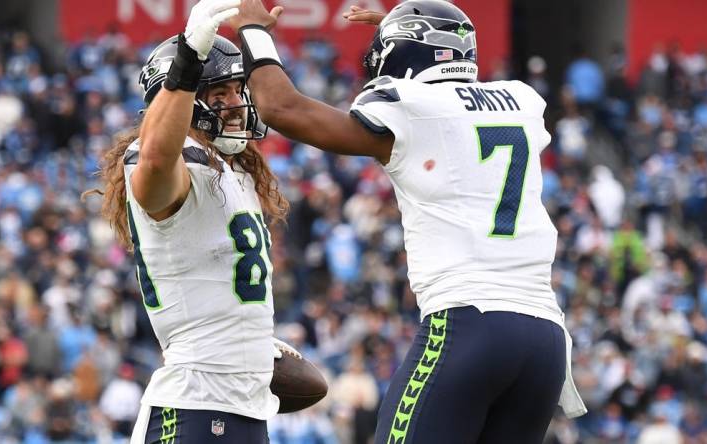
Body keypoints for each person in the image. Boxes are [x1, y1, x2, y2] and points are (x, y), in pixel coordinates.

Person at [227, 0, 587, 442]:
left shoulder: (411, 103)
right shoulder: (521, 101)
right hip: (545, 341)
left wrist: (253, 33)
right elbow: (458, 97)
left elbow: (282, 109)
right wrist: (405, 35)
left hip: (469, 325)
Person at [84, 0, 293, 442]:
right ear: (184, 99)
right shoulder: (168, 162)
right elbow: (159, 156)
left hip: (246, 406)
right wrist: (188, 57)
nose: (236, 103)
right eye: (220, 94)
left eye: (239, 90)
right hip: (193, 405)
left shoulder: (235, 171)